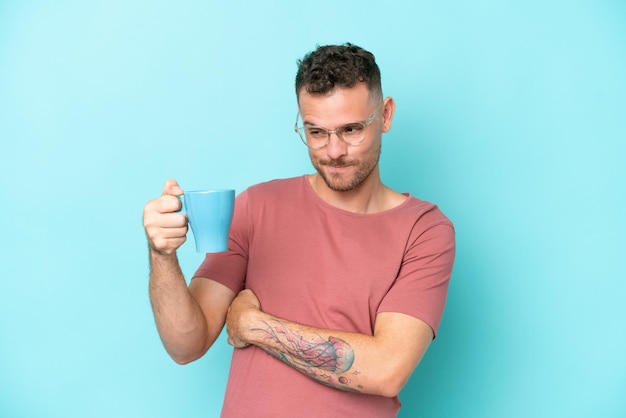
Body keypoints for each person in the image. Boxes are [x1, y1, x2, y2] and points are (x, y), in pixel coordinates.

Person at [143, 43, 456, 417]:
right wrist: (163, 256)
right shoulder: (257, 207)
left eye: (352, 129)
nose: (334, 151)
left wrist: (255, 325)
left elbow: (387, 370)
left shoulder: (424, 230)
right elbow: (185, 345)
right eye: (316, 132)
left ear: (385, 115)